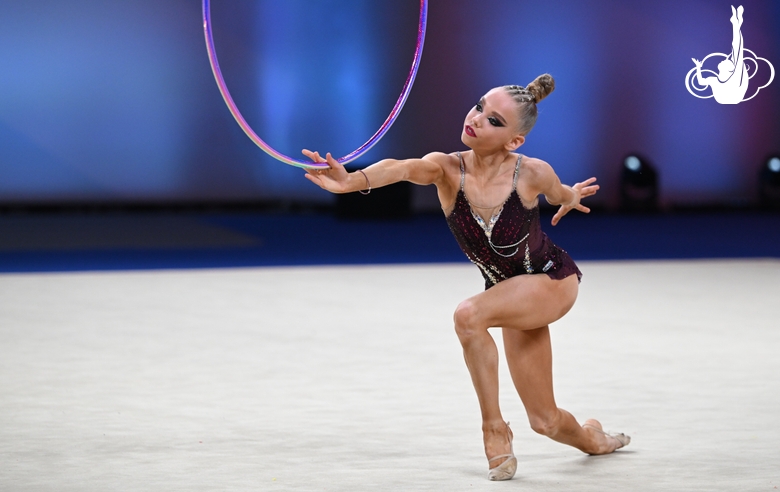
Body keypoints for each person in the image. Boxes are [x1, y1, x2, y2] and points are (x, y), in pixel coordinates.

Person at [302, 73, 629, 481]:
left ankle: (493, 429)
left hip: (551, 281)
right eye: (479, 106)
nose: (476, 118)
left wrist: (572, 196)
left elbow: (561, 193)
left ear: (514, 141)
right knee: (544, 420)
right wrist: (354, 180)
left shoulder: (531, 172)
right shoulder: (445, 169)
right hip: (509, 294)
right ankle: (596, 439)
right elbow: (402, 168)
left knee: (468, 315)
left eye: (494, 120)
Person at [692, 5, 748, 104]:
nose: (725, 59)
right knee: (737, 51)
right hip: (727, 97)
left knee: (737, 50)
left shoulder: (734, 77)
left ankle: (736, 23)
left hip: (733, 96)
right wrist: (698, 67)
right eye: (728, 61)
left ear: (729, 69)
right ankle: (736, 23)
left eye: (727, 61)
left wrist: (736, 25)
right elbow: (701, 82)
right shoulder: (714, 80)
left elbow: (737, 49)